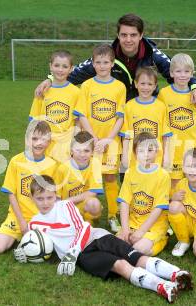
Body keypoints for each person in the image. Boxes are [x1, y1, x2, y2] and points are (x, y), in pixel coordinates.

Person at [14, 174, 193, 303]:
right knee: (120, 266)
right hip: (84, 256)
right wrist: (23, 252)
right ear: (32, 198)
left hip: (96, 237)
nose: (45, 202)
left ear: (56, 195)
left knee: (135, 256)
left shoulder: (65, 206)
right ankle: (163, 286)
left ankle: (177, 274)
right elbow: (36, 244)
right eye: (40, 198)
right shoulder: (34, 224)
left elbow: (82, 228)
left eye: (49, 197)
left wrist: (71, 252)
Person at [34, 13, 196, 104]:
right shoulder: (107, 55)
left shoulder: (153, 54)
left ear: (141, 35)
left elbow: (178, 71)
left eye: (133, 35)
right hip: (116, 108)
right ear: (118, 35)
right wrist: (50, 79)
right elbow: (75, 72)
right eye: (124, 35)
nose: (128, 40)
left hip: (146, 104)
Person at [0, 120, 68, 254]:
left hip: (43, 217)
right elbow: (11, 194)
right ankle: (23, 236)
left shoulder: (53, 165)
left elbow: (56, 198)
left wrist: (54, 221)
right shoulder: (16, 161)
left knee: (58, 247)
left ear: (49, 142)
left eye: (44, 139)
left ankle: (30, 238)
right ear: (27, 139)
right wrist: (21, 222)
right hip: (18, 216)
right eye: (34, 138)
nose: (39, 143)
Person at [73, 44, 126, 232]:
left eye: (106, 62)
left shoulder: (119, 87)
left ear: (112, 63)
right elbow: (82, 115)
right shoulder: (87, 86)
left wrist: (109, 139)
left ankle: (112, 215)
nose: (102, 66)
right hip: (89, 142)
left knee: (110, 177)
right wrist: (94, 139)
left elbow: (120, 117)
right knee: (87, 177)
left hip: (111, 142)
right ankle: (89, 215)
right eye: (98, 62)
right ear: (93, 64)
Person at [157, 53, 196, 193]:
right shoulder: (164, 94)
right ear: (171, 73)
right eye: (178, 71)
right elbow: (161, 121)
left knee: (195, 179)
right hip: (173, 148)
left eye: (186, 71)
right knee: (175, 183)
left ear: (192, 73)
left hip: (193, 145)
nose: (182, 75)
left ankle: (192, 207)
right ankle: (175, 209)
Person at [117, 132, 171, 256]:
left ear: (156, 151)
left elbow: (159, 208)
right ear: (135, 154)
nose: (146, 154)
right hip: (133, 222)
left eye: (150, 150)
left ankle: (163, 238)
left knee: (139, 249)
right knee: (118, 245)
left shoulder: (163, 175)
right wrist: (125, 229)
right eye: (141, 151)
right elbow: (124, 202)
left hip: (154, 225)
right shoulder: (130, 172)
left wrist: (141, 232)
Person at [29, 50, 80, 163]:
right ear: (50, 66)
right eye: (56, 65)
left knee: (64, 175)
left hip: (66, 142)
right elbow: (34, 120)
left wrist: (75, 141)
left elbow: (78, 121)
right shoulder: (42, 90)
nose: (60, 70)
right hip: (45, 141)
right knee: (46, 176)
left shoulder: (76, 92)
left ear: (71, 68)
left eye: (65, 66)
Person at [120, 67, 172, 170]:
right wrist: (124, 155)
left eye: (150, 84)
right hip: (134, 158)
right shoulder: (129, 106)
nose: (146, 87)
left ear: (155, 86)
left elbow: (165, 135)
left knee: (154, 185)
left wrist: (166, 156)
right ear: (136, 84)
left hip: (156, 158)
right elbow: (126, 135)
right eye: (142, 84)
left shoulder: (161, 107)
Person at [61, 131, 103, 225]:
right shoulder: (63, 168)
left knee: (94, 204)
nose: (82, 154)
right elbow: (56, 195)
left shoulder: (95, 163)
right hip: (65, 206)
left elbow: (93, 192)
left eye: (86, 150)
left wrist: (68, 201)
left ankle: (88, 219)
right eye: (78, 150)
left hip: (80, 203)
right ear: (71, 151)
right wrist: (61, 206)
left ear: (92, 152)